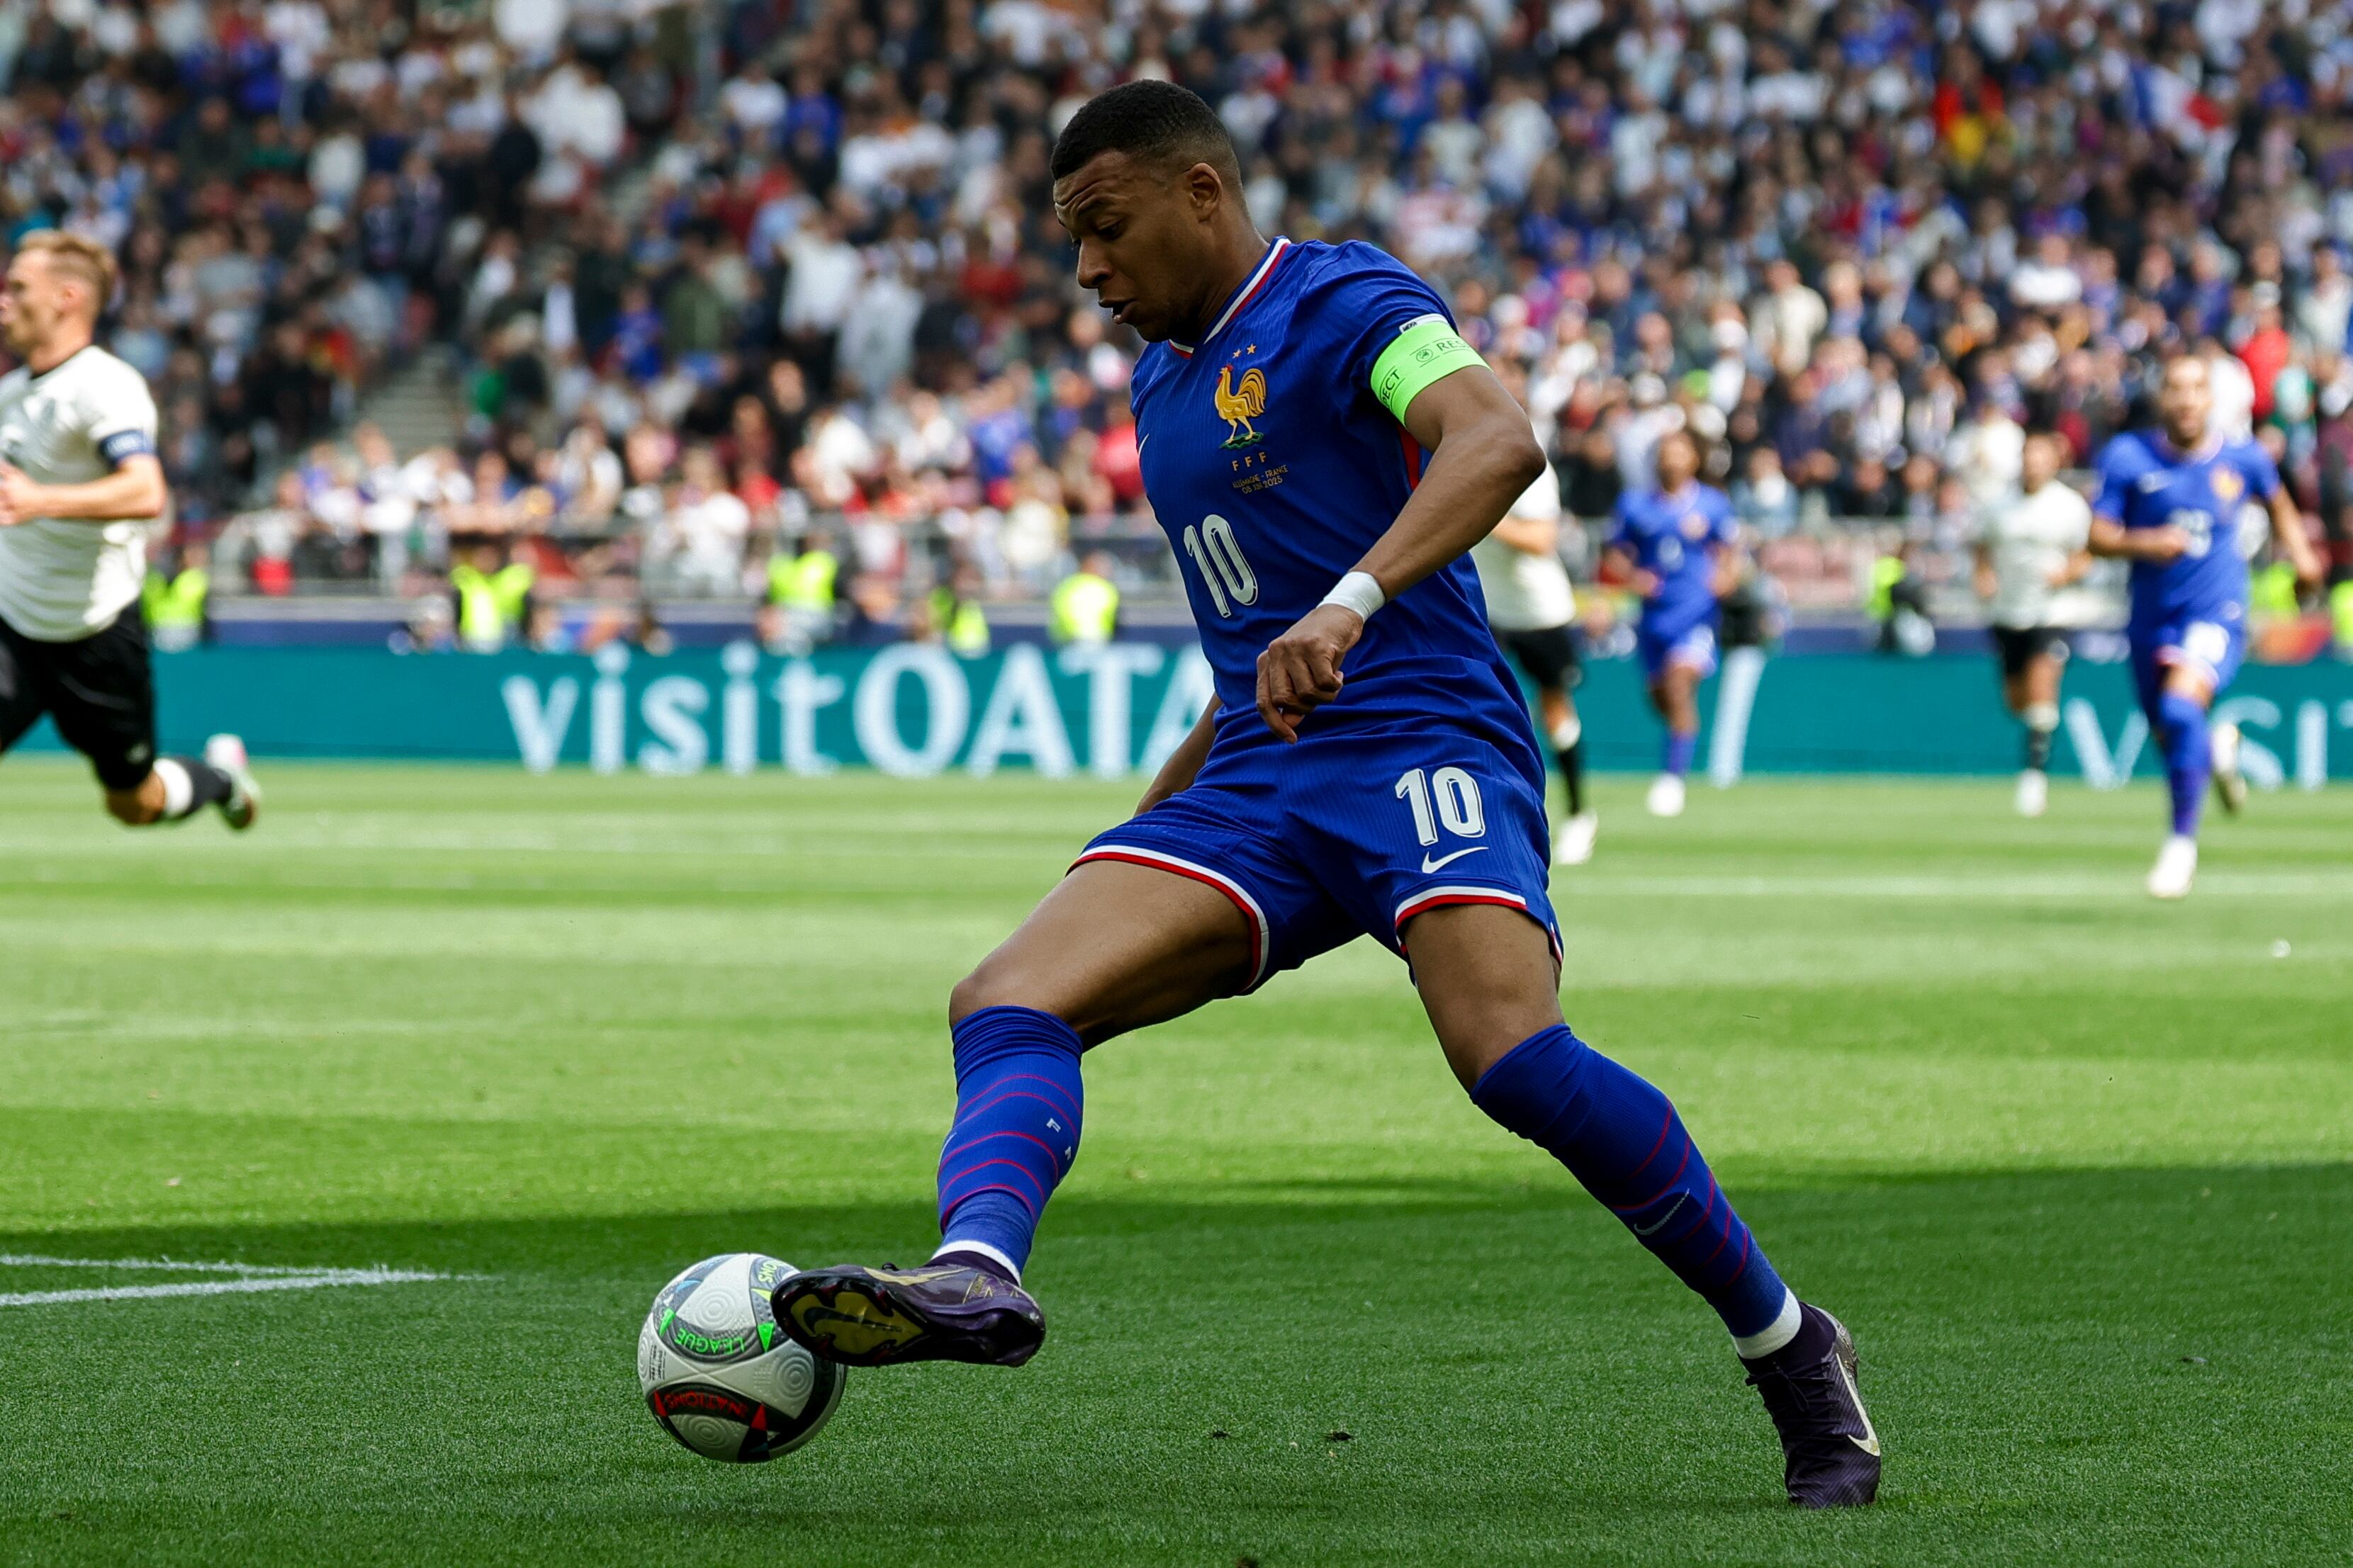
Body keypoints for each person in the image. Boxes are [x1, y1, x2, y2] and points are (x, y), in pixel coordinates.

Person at [772, 81, 1880, 1510]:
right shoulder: (1160, 384)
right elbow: (1248, 654)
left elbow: (1497, 437)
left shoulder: (1350, 299)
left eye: (1106, 230)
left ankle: (1791, 1344)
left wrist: (1353, 600)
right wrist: (1135, 824)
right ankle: (978, 1270)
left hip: (1419, 734)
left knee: (1511, 1056)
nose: (1089, 271)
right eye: (1074, 243)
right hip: (1257, 774)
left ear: (1203, 193)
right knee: (1008, 992)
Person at [0, 232, 257, 830]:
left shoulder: (104, 387)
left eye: (17, 288)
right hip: (12, 626)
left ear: (67, 298)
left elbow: (146, 490)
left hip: (96, 632)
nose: (4, 302)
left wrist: (44, 500)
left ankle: (219, 776)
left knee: (134, 803)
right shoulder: (10, 395)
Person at [2089, 355, 2323, 898]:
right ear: (2162, 398)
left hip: (2216, 613)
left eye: (2197, 388)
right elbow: (2098, 536)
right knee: (2171, 733)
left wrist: (2304, 559)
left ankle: (2180, 847)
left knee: (2178, 708)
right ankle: (2217, 748)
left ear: (2211, 399)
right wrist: (2146, 542)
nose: (2188, 399)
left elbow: (2280, 505)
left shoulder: (2243, 457)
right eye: (2176, 388)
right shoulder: (2127, 456)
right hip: (2150, 619)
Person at [1470, 402, 1595, 864]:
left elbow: (1542, 540)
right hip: (1485, 608)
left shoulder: (1532, 470)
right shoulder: (1451, 459)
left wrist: (1483, 514)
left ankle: (1579, 815)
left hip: (1539, 610)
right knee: (1476, 706)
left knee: (1555, 707)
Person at [1602, 429, 1741, 819]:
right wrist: (1633, 578)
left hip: (1695, 615)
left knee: (1680, 686)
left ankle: (1672, 780)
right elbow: (1614, 554)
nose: (1673, 459)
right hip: (1653, 619)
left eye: (1680, 452)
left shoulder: (1712, 505)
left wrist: (1725, 578)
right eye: (1666, 453)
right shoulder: (1635, 505)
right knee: (1661, 696)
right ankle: (1681, 739)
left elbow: (1731, 552)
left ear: (1694, 460)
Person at [1974, 431, 2091, 818]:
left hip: (2053, 613)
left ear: (2054, 463)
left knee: (2043, 690)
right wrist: (1984, 574)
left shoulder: (2069, 507)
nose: (2033, 464)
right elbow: (1982, 547)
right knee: (2017, 703)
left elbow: (2086, 555)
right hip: (2009, 612)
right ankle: (2035, 753)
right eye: (2029, 456)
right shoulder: (1998, 506)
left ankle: (2033, 779)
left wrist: (2065, 574)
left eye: (2041, 457)